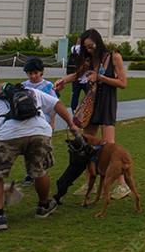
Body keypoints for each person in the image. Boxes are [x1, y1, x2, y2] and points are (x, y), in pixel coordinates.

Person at [0, 82, 83, 229]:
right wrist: (71, 125)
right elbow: (57, 104)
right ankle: (43, 206)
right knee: (39, 170)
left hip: (8, 135)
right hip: (40, 131)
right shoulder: (32, 92)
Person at [52, 28, 130, 202]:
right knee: (86, 145)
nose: (89, 49)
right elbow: (78, 74)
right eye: (86, 47)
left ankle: (122, 184)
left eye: (91, 46)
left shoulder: (114, 57)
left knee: (109, 146)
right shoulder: (89, 59)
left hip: (107, 103)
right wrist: (63, 80)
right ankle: (89, 183)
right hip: (91, 103)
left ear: (98, 42)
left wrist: (100, 78)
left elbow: (123, 83)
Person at [20, 58, 58, 186]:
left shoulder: (48, 86)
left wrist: (52, 121)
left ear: (41, 72)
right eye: (30, 73)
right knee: (28, 149)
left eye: (35, 73)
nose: (33, 76)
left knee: (41, 149)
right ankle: (30, 173)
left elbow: (54, 105)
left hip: (43, 122)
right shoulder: (24, 86)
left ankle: (39, 171)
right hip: (28, 122)